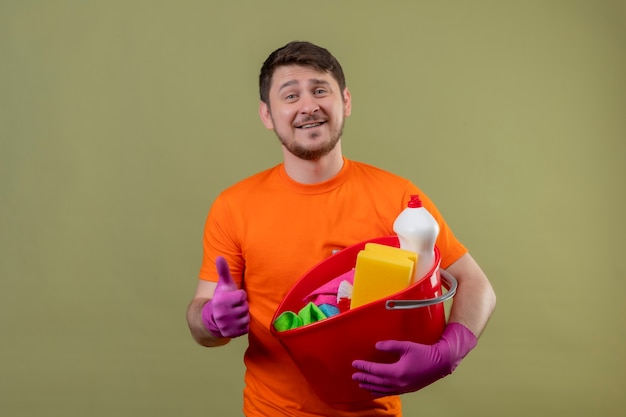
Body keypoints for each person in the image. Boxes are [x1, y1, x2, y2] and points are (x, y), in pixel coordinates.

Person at [186, 40, 496, 416]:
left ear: (345, 101)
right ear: (267, 115)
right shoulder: (234, 206)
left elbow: (476, 284)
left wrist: (450, 351)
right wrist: (211, 319)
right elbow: (201, 323)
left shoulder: (398, 198)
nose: (308, 106)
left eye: (320, 90)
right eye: (290, 95)